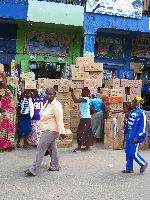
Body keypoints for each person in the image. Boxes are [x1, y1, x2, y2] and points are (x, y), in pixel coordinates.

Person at [24, 87, 66, 177]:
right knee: (52, 149)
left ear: (55, 95)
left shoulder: (56, 105)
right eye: (47, 93)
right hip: (46, 129)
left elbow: (59, 119)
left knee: (40, 148)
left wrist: (62, 131)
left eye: (51, 94)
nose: (48, 95)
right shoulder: (47, 103)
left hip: (51, 130)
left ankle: (33, 169)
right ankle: (55, 165)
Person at [122, 96, 148, 174]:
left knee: (133, 153)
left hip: (135, 137)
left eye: (133, 102)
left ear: (138, 103)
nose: (131, 103)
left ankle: (143, 163)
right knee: (128, 152)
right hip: (129, 136)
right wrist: (125, 132)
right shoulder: (132, 112)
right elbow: (128, 124)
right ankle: (129, 168)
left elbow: (143, 127)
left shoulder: (142, 114)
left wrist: (138, 137)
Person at [70, 87, 93, 152]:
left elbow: (75, 100)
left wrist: (71, 92)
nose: (81, 93)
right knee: (87, 132)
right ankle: (87, 146)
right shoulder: (88, 99)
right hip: (88, 118)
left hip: (84, 119)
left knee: (80, 132)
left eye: (82, 92)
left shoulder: (85, 99)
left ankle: (79, 148)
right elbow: (91, 109)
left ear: (84, 93)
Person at [0, 72, 15, 152]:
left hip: (8, 114)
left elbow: (5, 87)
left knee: (9, 130)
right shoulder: (2, 96)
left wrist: (3, 77)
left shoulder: (9, 94)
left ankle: (9, 146)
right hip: (3, 114)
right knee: (3, 130)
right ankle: (3, 145)